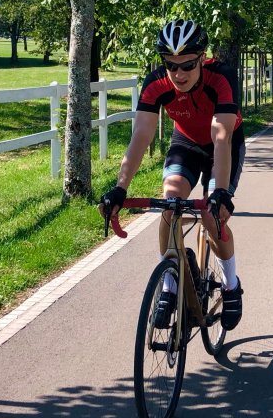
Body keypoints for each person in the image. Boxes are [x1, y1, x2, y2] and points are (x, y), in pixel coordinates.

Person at [99, 19, 246, 330]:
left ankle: (231, 286)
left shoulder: (221, 78)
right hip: (187, 143)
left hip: (225, 145)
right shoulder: (157, 85)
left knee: (211, 216)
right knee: (170, 201)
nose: (179, 74)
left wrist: (220, 191)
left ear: (202, 58)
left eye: (188, 65)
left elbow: (222, 135)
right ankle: (170, 285)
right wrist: (120, 187)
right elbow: (140, 135)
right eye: (171, 65)